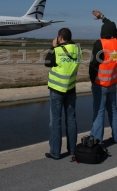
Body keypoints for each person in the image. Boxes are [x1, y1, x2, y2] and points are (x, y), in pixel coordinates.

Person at [44, 28, 81, 160]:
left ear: (60, 38)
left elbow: (47, 63)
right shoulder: (77, 49)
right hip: (70, 88)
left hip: (56, 89)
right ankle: (72, 149)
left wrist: (52, 47)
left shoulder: (57, 50)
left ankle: (55, 152)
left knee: (55, 121)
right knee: (71, 120)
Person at [89, 10, 117, 145]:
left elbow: (93, 64)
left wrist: (92, 79)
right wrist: (103, 18)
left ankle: (97, 140)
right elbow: (113, 27)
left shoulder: (100, 43)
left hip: (100, 82)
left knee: (99, 111)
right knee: (113, 110)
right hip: (113, 82)